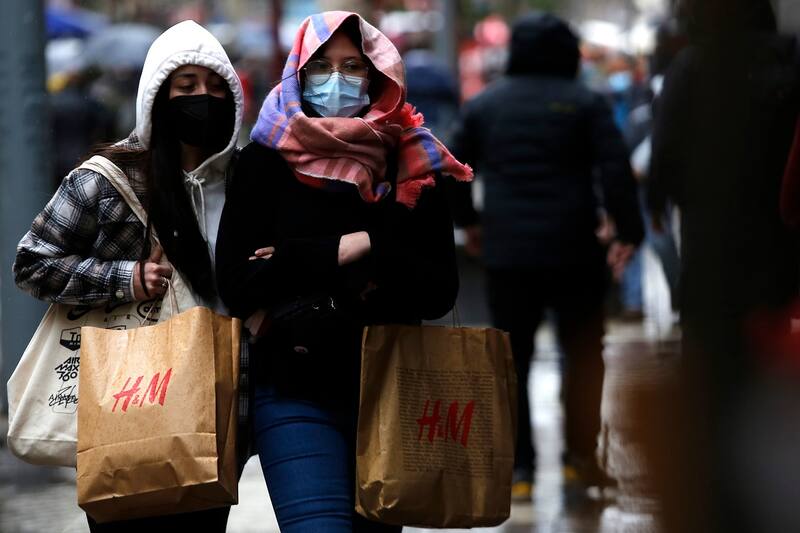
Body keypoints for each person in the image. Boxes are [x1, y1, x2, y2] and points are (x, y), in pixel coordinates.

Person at [215, 11, 471, 532]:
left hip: (391, 391)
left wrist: (333, 250)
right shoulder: (265, 161)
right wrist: (345, 249)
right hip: (294, 390)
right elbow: (239, 285)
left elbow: (438, 288)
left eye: (353, 66)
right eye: (321, 67)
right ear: (298, 75)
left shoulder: (411, 161)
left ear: (378, 75)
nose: (337, 80)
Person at [14, 20, 244, 531]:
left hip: (213, 408)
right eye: (185, 87)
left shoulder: (244, 180)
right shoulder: (107, 179)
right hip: (124, 404)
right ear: (156, 97)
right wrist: (126, 277)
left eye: (214, 87)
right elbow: (32, 264)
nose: (201, 99)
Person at [447, 12, 643, 501]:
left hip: (507, 251)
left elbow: (449, 166)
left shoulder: (486, 104)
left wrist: (469, 223)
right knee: (582, 352)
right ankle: (580, 459)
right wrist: (627, 230)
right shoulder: (587, 102)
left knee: (511, 359)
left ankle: (520, 471)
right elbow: (615, 169)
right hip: (575, 247)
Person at [647, 1, 800, 531]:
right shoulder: (794, 63)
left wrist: (659, 204)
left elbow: (664, 150)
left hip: (715, 248)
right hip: (782, 248)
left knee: (712, 371)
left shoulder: (696, 67)